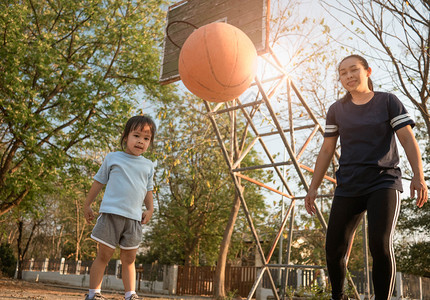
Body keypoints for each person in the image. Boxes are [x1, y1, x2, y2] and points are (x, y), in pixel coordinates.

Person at [304, 54, 428, 300]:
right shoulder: (336, 110)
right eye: (342, 73)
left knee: (380, 245)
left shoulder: (388, 102)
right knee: (333, 250)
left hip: (383, 181)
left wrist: (418, 176)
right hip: (348, 185)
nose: (348, 76)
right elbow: (327, 149)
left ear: (367, 71)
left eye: (353, 70)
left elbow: (406, 139)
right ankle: (338, 296)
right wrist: (313, 187)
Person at [84, 115, 157, 300]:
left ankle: (130, 294)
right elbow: (99, 181)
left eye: (146, 138)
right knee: (104, 255)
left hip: (133, 219)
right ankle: (94, 294)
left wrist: (150, 209)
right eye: (136, 135)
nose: (141, 141)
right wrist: (87, 204)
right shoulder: (113, 157)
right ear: (126, 137)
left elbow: (149, 191)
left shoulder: (148, 166)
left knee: (129, 259)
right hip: (111, 215)